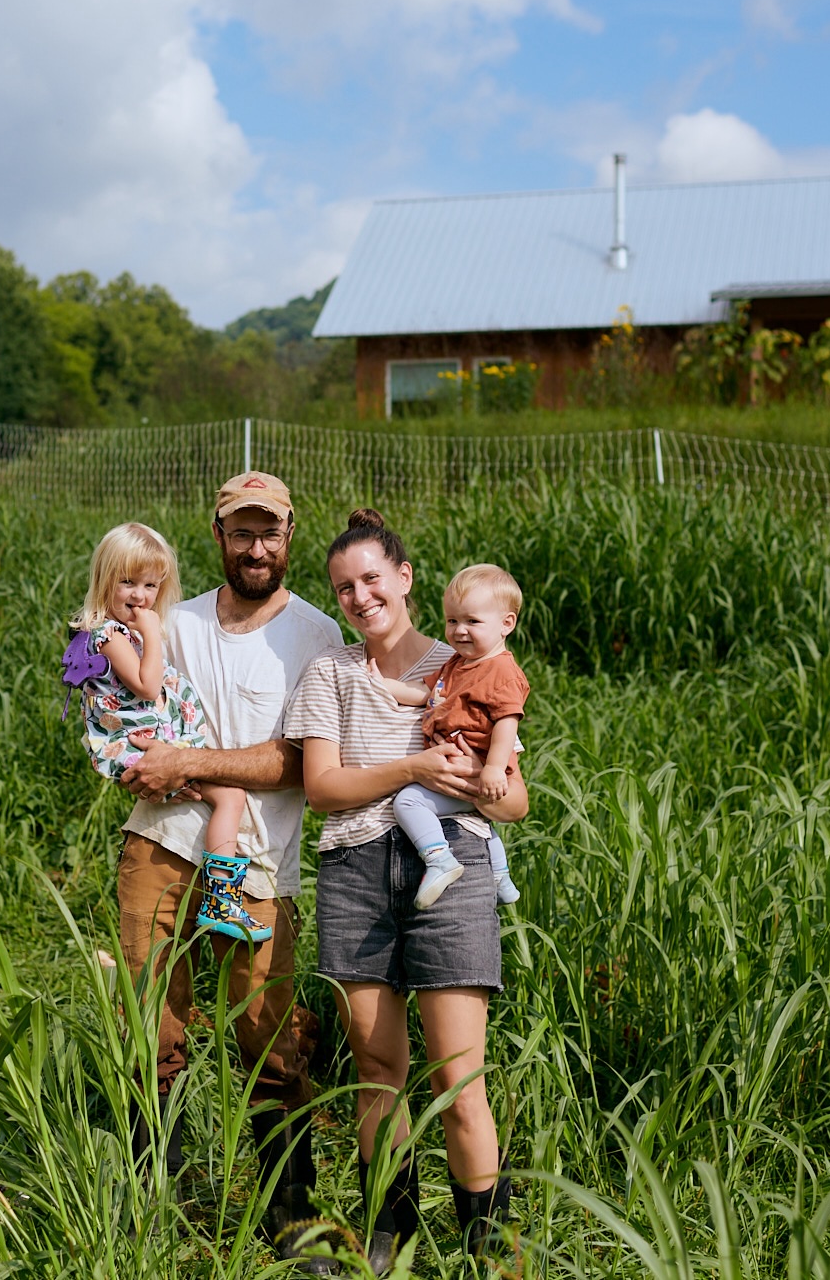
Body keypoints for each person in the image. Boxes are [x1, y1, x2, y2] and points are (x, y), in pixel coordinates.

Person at [110, 472, 346, 1268]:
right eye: (241, 531)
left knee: (267, 1036)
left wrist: (187, 759)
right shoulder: (169, 620)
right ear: (217, 534)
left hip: (259, 866)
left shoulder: (314, 637)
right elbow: (123, 705)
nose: (255, 547)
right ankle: (156, 1198)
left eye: (268, 532)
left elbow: (298, 761)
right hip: (157, 845)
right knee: (150, 1024)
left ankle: (292, 1217)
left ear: (290, 534)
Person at [283, 509, 528, 1266]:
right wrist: (416, 770)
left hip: (449, 862)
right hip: (355, 870)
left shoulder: (466, 661)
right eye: (343, 588)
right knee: (378, 1067)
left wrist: (482, 782)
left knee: (460, 1074)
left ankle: (487, 1240)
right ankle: (393, 1221)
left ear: (405, 577)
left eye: (370, 579)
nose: (359, 597)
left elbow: (515, 800)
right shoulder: (331, 672)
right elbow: (323, 788)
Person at [68, 521, 265, 942]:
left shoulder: (126, 632)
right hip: (140, 747)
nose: (140, 596)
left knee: (227, 797)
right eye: (127, 583)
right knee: (231, 796)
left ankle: (220, 897)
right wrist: (154, 634)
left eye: (151, 586)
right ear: (104, 580)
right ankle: (223, 899)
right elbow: (147, 685)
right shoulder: (109, 634)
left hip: (154, 744)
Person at [367, 562, 527, 909]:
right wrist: (382, 686)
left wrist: (494, 769)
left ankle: (439, 858)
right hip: (468, 773)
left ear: (506, 624)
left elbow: (506, 723)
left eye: (472, 621)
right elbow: (424, 693)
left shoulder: (501, 670)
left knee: (408, 801)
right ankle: (499, 876)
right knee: (477, 817)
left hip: (482, 771)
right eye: (452, 620)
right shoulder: (458, 664)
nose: (459, 630)